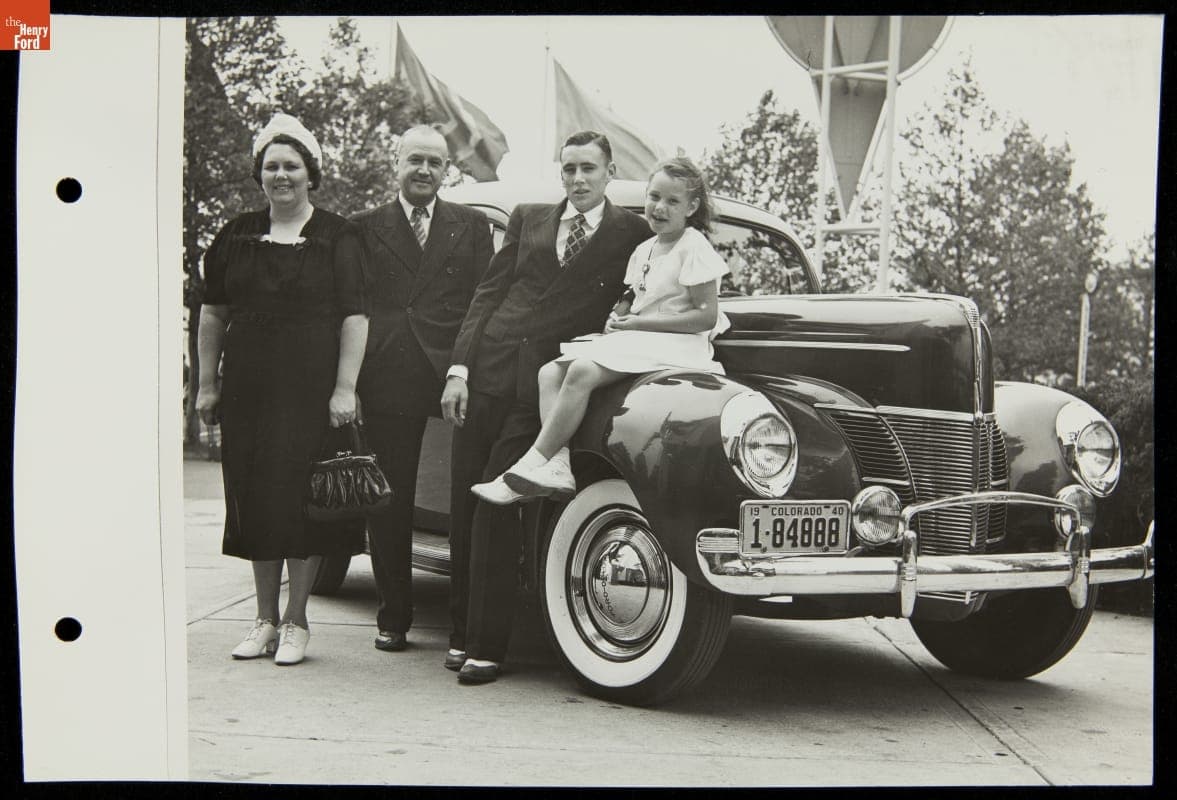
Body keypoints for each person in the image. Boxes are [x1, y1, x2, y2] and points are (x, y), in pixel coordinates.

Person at [440, 131, 651, 684]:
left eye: (589, 168)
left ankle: (487, 647)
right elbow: (487, 294)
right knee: (465, 507)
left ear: (610, 172)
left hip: (544, 388)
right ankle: (460, 634)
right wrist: (459, 369)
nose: (578, 179)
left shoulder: (633, 232)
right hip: (487, 371)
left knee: (498, 500)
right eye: (570, 168)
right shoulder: (529, 217)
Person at [195, 113, 369, 666]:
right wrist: (205, 384)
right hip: (248, 389)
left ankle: (297, 621)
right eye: (271, 166)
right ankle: (263, 619)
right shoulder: (236, 234)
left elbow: (356, 318)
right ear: (259, 174)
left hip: (311, 389)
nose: (281, 175)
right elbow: (212, 315)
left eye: (292, 165)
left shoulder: (338, 235)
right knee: (255, 500)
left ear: (310, 172)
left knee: (303, 503)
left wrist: (345, 388)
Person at [479, 156, 730, 502]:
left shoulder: (693, 245)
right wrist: (619, 315)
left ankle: (528, 464)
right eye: (654, 197)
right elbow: (633, 295)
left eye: (672, 201)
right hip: (643, 338)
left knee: (582, 370)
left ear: (692, 207)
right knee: (548, 373)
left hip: (680, 343)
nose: (659, 207)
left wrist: (639, 323)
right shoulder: (645, 248)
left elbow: (705, 316)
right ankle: (558, 463)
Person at [352, 125, 492, 663]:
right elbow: (354, 308)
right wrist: (353, 383)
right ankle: (393, 616)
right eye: (415, 160)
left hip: (452, 379)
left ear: (446, 168)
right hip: (387, 377)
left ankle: (463, 628)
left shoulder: (471, 226)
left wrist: (462, 368)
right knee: (391, 502)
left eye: (435, 162)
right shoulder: (364, 227)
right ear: (397, 162)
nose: (425, 171)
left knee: (462, 502)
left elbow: (482, 303)